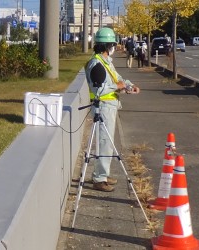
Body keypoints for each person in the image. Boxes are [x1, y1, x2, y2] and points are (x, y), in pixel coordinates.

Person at [85, 27, 140, 192]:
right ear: (107, 46)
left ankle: (103, 173)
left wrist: (128, 85)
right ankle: (99, 178)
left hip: (110, 107)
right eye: (113, 45)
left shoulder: (105, 62)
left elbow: (117, 78)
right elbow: (100, 89)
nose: (114, 48)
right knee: (104, 142)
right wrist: (119, 86)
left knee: (107, 142)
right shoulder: (96, 64)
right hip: (102, 107)